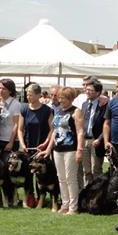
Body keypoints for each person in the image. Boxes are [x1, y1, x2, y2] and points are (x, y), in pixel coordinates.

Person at [44, 87, 84, 216]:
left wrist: (79, 150)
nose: (60, 100)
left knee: (70, 178)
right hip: (57, 149)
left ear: (71, 98)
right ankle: (65, 204)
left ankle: (73, 206)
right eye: (59, 97)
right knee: (61, 178)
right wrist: (49, 148)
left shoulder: (76, 111)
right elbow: (55, 131)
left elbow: (80, 132)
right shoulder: (58, 111)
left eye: (63, 98)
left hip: (71, 149)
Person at [18, 83, 54, 208]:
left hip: (42, 148)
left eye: (31, 94)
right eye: (27, 94)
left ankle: (41, 199)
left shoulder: (47, 110)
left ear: (38, 95)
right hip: (28, 147)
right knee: (28, 175)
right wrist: (22, 144)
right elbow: (20, 129)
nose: (28, 97)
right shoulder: (24, 109)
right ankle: (29, 198)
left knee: (42, 175)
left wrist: (46, 143)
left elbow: (52, 129)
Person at [0, 79, 22, 188]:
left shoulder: (15, 104)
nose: (1, 90)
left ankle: (9, 193)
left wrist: (10, 142)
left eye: (4, 88)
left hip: (8, 140)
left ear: (10, 90)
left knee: (7, 167)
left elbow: (16, 124)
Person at [80, 80, 107, 187]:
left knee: (96, 169)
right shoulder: (84, 105)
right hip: (84, 140)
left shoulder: (104, 105)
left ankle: (97, 194)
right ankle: (87, 193)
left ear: (98, 92)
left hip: (96, 140)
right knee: (86, 170)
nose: (87, 92)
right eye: (87, 89)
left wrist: (100, 139)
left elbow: (106, 125)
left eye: (90, 90)